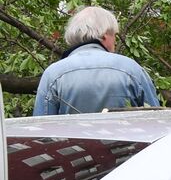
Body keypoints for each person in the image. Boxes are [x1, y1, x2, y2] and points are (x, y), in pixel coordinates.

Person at [33, 6, 161, 115]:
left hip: (73, 145)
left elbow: (42, 129)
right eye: (114, 35)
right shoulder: (131, 69)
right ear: (105, 35)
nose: (115, 41)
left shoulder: (53, 74)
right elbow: (155, 121)